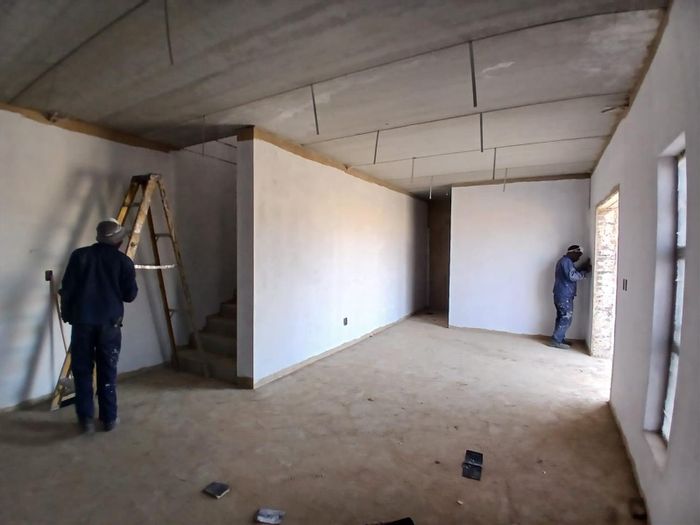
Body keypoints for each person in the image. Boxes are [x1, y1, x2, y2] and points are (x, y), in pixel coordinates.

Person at [60, 218, 138, 434]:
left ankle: (85, 420)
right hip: (109, 325)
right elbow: (130, 295)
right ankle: (109, 418)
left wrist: (67, 314)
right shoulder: (123, 262)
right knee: (107, 371)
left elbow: (67, 289)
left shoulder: (79, 256)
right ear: (119, 242)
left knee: (82, 371)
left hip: (82, 322)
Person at [548, 245, 591, 349]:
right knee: (566, 318)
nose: (579, 258)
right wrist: (584, 272)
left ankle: (559, 338)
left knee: (561, 317)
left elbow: (571, 272)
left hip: (561, 294)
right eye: (578, 255)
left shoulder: (564, 262)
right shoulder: (566, 262)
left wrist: (582, 268)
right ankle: (556, 340)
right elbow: (572, 276)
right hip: (564, 295)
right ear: (573, 252)